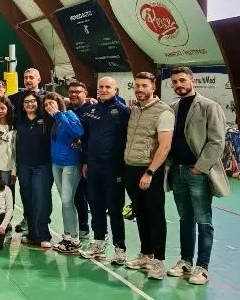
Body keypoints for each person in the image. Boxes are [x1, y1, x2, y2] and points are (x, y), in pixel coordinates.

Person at [166, 67, 230, 285]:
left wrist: (199, 168)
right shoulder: (173, 108)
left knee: (203, 220)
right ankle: (185, 261)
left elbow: (217, 141)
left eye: (182, 80)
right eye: (175, 82)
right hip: (177, 171)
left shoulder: (209, 106)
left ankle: (202, 267)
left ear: (192, 81)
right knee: (185, 219)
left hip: (198, 173)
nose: (179, 85)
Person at [122, 72, 174, 280]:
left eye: (144, 85)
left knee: (155, 215)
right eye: (137, 85)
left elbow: (165, 146)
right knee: (141, 213)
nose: (140, 89)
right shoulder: (135, 109)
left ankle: (159, 262)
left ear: (153, 87)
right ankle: (146, 255)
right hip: (130, 168)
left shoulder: (164, 112)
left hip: (149, 170)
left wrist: (150, 172)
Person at [79, 76, 130, 264]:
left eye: (108, 87)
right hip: (93, 167)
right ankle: (99, 241)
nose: (104, 90)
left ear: (115, 90)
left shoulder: (123, 111)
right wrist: (85, 162)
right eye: (101, 87)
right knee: (95, 205)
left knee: (115, 209)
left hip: (114, 168)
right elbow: (85, 139)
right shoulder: (91, 110)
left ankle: (119, 248)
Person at [45, 92, 84, 254]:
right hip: (57, 164)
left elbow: (78, 132)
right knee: (65, 201)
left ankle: (75, 239)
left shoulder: (68, 115)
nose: (49, 107)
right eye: (46, 105)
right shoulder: (54, 120)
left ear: (59, 102)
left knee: (68, 201)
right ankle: (67, 236)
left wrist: (60, 114)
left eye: (51, 103)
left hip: (70, 164)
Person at [15, 91, 53, 247]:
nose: (30, 104)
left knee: (40, 199)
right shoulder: (18, 121)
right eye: (26, 102)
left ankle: (43, 235)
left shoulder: (46, 120)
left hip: (42, 165)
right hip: (23, 166)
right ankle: (32, 234)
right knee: (27, 198)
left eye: (32, 101)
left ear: (38, 103)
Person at [67, 81, 91, 238]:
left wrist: (87, 160)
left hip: (86, 162)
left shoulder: (92, 110)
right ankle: (81, 226)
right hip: (70, 161)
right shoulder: (66, 110)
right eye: (71, 92)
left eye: (78, 92)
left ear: (86, 94)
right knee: (75, 196)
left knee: (89, 196)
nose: (74, 94)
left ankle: (98, 231)